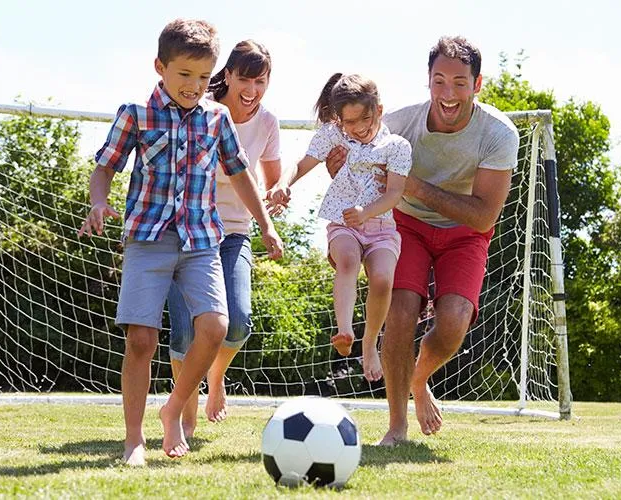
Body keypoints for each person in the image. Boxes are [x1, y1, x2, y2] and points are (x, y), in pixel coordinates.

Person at [77, 19, 283, 465]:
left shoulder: (217, 117)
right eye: (185, 74)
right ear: (160, 67)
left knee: (215, 327)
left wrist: (264, 224)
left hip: (201, 240)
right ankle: (134, 439)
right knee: (142, 340)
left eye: (204, 77)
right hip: (148, 239)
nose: (195, 85)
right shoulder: (135, 113)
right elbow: (105, 167)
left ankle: (173, 408)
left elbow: (240, 172)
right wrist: (98, 201)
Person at [326, 36, 519, 445]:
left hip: (466, 234)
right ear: (428, 81)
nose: (448, 94)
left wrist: (414, 186)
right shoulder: (397, 124)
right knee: (399, 314)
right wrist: (337, 170)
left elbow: (484, 213)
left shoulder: (498, 134)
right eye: (439, 81)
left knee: (451, 327)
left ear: (477, 84)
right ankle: (397, 427)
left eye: (459, 83)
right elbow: (358, 181)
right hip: (406, 226)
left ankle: (417, 379)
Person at [166, 39, 284, 438]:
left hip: (234, 232)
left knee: (237, 324)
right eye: (245, 79)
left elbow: (270, 177)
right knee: (184, 331)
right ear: (228, 76)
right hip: (190, 232)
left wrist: (278, 195)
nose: (251, 90)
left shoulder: (267, 124)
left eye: (260, 81)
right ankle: (184, 403)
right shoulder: (200, 110)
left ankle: (215, 377)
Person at [267, 73, 412, 382]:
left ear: (379, 110)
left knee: (384, 278)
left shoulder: (396, 146)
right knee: (347, 260)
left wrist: (367, 212)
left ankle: (369, 343)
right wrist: (283, 183)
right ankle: (344, 330)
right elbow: (302, 163)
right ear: (338, 120)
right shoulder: (333, 135)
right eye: (350, 122)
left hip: (381, 227)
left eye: (365, 119)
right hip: (344, 224)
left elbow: (395, 193)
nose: (358, 128)